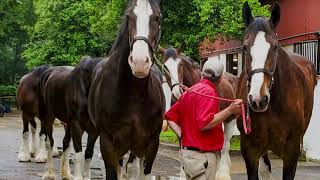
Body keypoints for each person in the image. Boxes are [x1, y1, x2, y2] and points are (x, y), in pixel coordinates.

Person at [165, 59, 242, 180]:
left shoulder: (188, 92)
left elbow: (169, 116)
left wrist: (182, 135)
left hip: (188, 157)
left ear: (202, 75)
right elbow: (205, 123)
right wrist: (230, 110)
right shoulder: (209, 93)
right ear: (220, 78)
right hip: (203, 159)